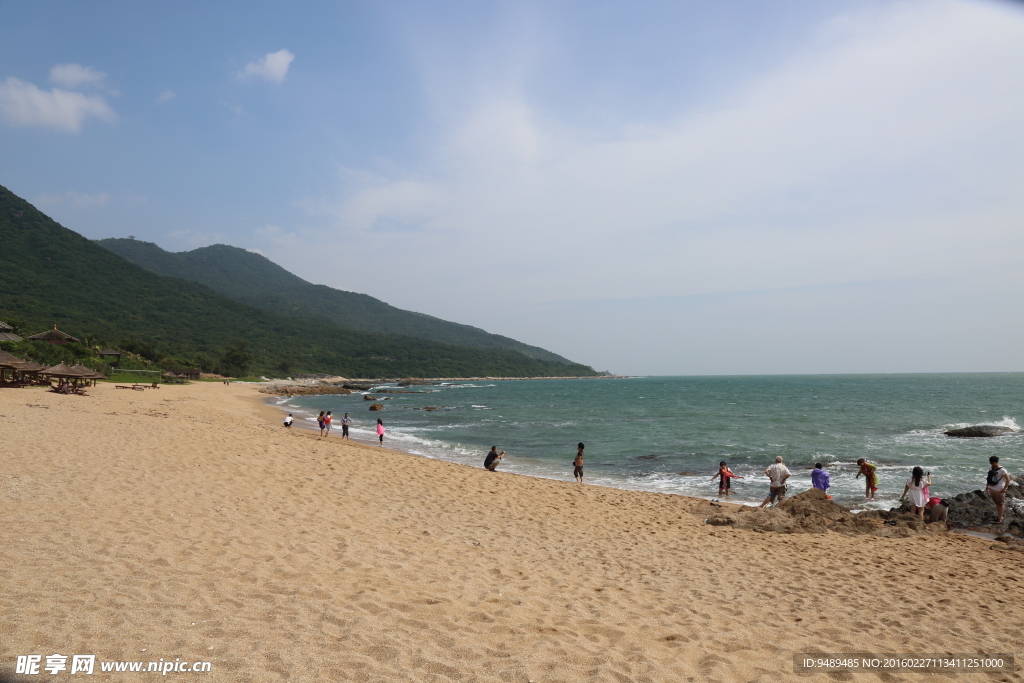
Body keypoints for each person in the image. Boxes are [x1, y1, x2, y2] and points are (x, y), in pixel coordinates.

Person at [985, 455, 1010, 524]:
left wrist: (1004, 488)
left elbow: (1008, 480)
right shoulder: (991, 468)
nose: (992, 465)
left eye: (993, 463)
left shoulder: (1002, 470)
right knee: (996, 503)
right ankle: (998, 516)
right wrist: (987, 487)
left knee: (1000, 503)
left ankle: (1000, 517)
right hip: (992, 488)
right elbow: (988, 478)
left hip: (999, 489)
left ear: (996, 462)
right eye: (990, 463)